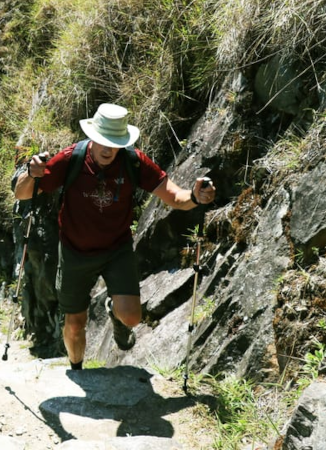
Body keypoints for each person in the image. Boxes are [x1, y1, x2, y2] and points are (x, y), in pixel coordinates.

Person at [13, 103, 215, 370]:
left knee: (132, 317)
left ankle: (116, 318)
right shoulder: (71, 158)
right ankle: (78, 370)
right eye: (102, 141)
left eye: (115, 142)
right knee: (74, 324)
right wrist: (30, 173)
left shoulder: (133, 162)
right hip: (75, 250)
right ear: (92, 137)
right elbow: (22, 193)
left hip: (116, 250)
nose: (108, 149)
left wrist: (195, 197)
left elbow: (175, 197)